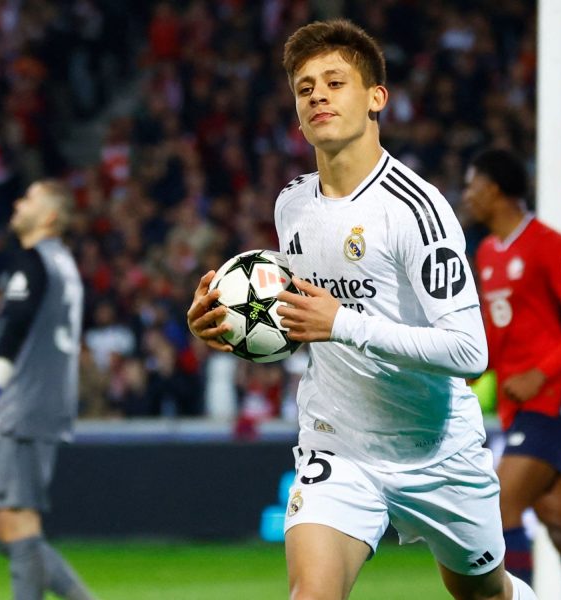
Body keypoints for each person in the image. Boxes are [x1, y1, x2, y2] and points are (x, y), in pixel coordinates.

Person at [187, 20, 537, 600]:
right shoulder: (292, 204)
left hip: (435, 452)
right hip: (337, 444)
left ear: (376, 98)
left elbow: (470, 351)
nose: (317, 96)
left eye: (334, 82)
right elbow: (299, 304)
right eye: (304, 89)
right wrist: (228, 319)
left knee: (484, 594)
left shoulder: (417, 211)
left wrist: (340, 324)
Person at [463, 149, 561, 599]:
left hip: (553, 399)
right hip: (520, 407)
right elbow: (499, 329)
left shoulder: (548, 244)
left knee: (500, 506)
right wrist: (470, 370)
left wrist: (539, 374)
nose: (467, 196)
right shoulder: (488, 252)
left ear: (494, 190)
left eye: (472, 186)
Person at [0, 180, 93, 600]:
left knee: (19, 522)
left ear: (50, 217)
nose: (19, 203)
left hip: (23, 403)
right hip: (40, 399)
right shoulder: (63, 263)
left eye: (30, 199)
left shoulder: (34, 261)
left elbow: (14, 329)